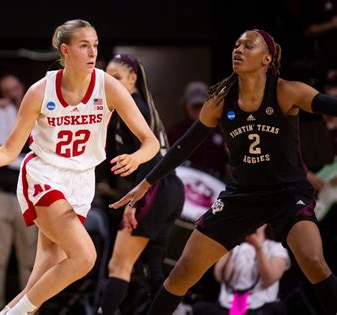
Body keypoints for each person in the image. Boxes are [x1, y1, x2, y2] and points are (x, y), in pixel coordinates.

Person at [111, 29, 337, 315]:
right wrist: (146, 182)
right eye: (236, 44)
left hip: (287, 194)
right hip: (241, 196)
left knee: (314, 262)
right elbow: (184, 147)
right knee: (183, 271)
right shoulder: (220, 101)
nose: (238, 49)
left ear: (267, 58)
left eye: (248, 45)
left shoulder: (286, 91)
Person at [0, 19, 159, 315]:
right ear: (65, 50)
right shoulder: (40, 91)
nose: (92, 52)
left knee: (45, 273)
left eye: (95, 45)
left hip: (81, 180)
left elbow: (151, 143)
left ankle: (12, 313)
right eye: (84, 45)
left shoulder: (108, 86)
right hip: (44, 174)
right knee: (84, 257)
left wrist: (136, 158)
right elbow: (10, 150)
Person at [96, 54, 184, 315]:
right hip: (170, 190)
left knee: (118, 267)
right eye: (107, 78)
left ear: (133, 79)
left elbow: (152, 159)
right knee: (151, 268)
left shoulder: (134, 107)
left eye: (117, 78)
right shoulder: (136, 107)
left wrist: (134, 203)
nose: (109, 83)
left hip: (155, 189)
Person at [0, 74, 38, 314]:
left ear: (22, 87)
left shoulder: (37, 110)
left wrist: (23, 102)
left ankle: (30, 311)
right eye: (6, 90)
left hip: (29, 194)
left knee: (29, 261)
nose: (11, 93)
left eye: (15, 88)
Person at [193, 225, 290, 315]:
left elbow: (269, 280)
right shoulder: (236, 247)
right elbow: (219, 276)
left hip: (260, 306)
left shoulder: (276, 248)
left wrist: (259, 248)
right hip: (228, 306)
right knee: (199, 308)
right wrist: (231, 244)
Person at [167, 81, 229, 180]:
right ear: (186, 105)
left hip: (214, 184)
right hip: (187, 184)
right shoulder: (176, 132)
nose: (197, 109)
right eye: (194, 105)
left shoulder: (221, 130)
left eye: (200, 105)